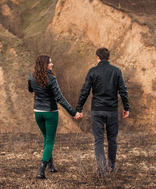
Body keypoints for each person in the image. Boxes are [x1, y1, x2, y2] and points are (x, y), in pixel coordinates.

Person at [76, 47, 130, 177]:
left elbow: (85, 91)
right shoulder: (116, 71)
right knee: (112, 140)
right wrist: (126, 107)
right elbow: (123, 90)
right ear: (109, 57)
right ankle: (111, 166)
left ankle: (102, 170)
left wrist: (79, 108)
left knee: (98, 140)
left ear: (97, 57)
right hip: (112, 110)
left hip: (97, 110)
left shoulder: (92, 71)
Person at [28, 55, 82, 179]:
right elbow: (60, 98)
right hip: (50, 112)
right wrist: (73, 113)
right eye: (50, 63)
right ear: (44, 65)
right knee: (50, 140)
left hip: (38, 112)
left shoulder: (31, 76)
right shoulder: (51, 79)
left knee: (46, 138)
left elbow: (31, 90)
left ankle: (51, 165)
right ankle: (41, 169)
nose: (52, 65)